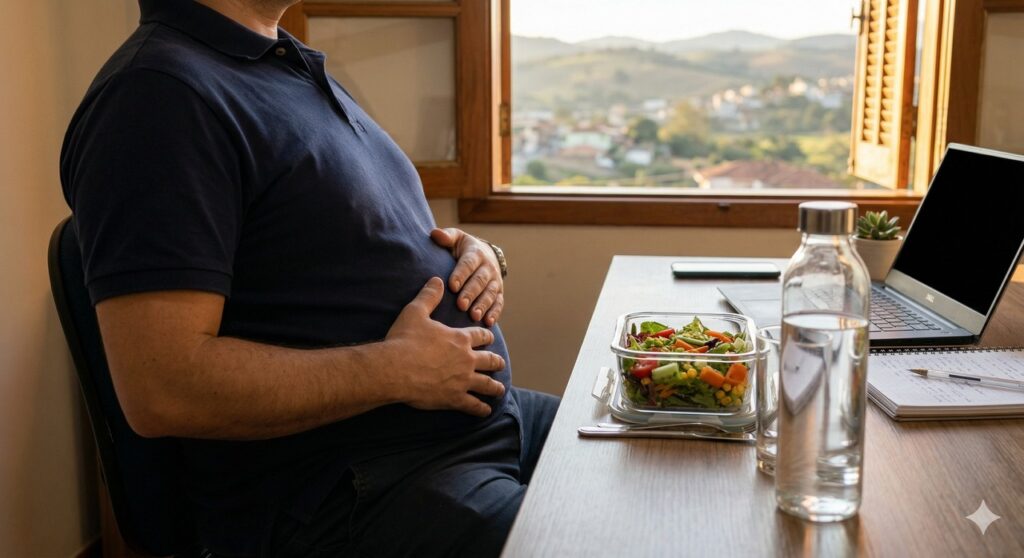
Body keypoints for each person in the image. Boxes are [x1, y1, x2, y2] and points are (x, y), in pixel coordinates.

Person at [59, 0, 560, 556]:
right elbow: (163, 387)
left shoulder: (282, 65)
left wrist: (474, 253)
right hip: (358, 489)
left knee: (637, 443)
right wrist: (394, 370)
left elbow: (339, 241)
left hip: (473, 425)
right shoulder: (157, 96)